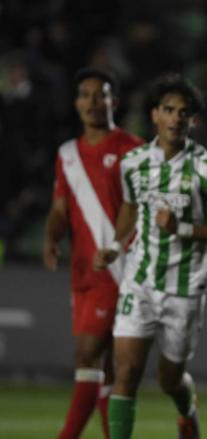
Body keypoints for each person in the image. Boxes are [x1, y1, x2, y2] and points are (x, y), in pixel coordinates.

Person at [93, 73, 207, 439]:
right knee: (125, 373)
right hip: (139, 279)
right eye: (168, 110)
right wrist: (115, 244)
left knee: (169, 379)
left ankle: (186, 410)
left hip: (185, 287)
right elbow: (131, 208)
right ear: (154, 115)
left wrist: (184, 229)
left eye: (184, 112)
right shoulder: (134, 164)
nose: (176, 118)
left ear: (193, 120)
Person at [42, 67, 144, 439]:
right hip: (84, 269)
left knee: (87, 355)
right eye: (84, 95)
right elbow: (59, 208)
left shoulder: (132, 150)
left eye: (99, 94)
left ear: (112, 101)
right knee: (106, 367)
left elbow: (140, 210)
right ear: (76, 103)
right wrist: (51, 239)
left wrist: (119, 247)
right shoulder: (66, 154)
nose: (91, 101)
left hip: (119, 270)